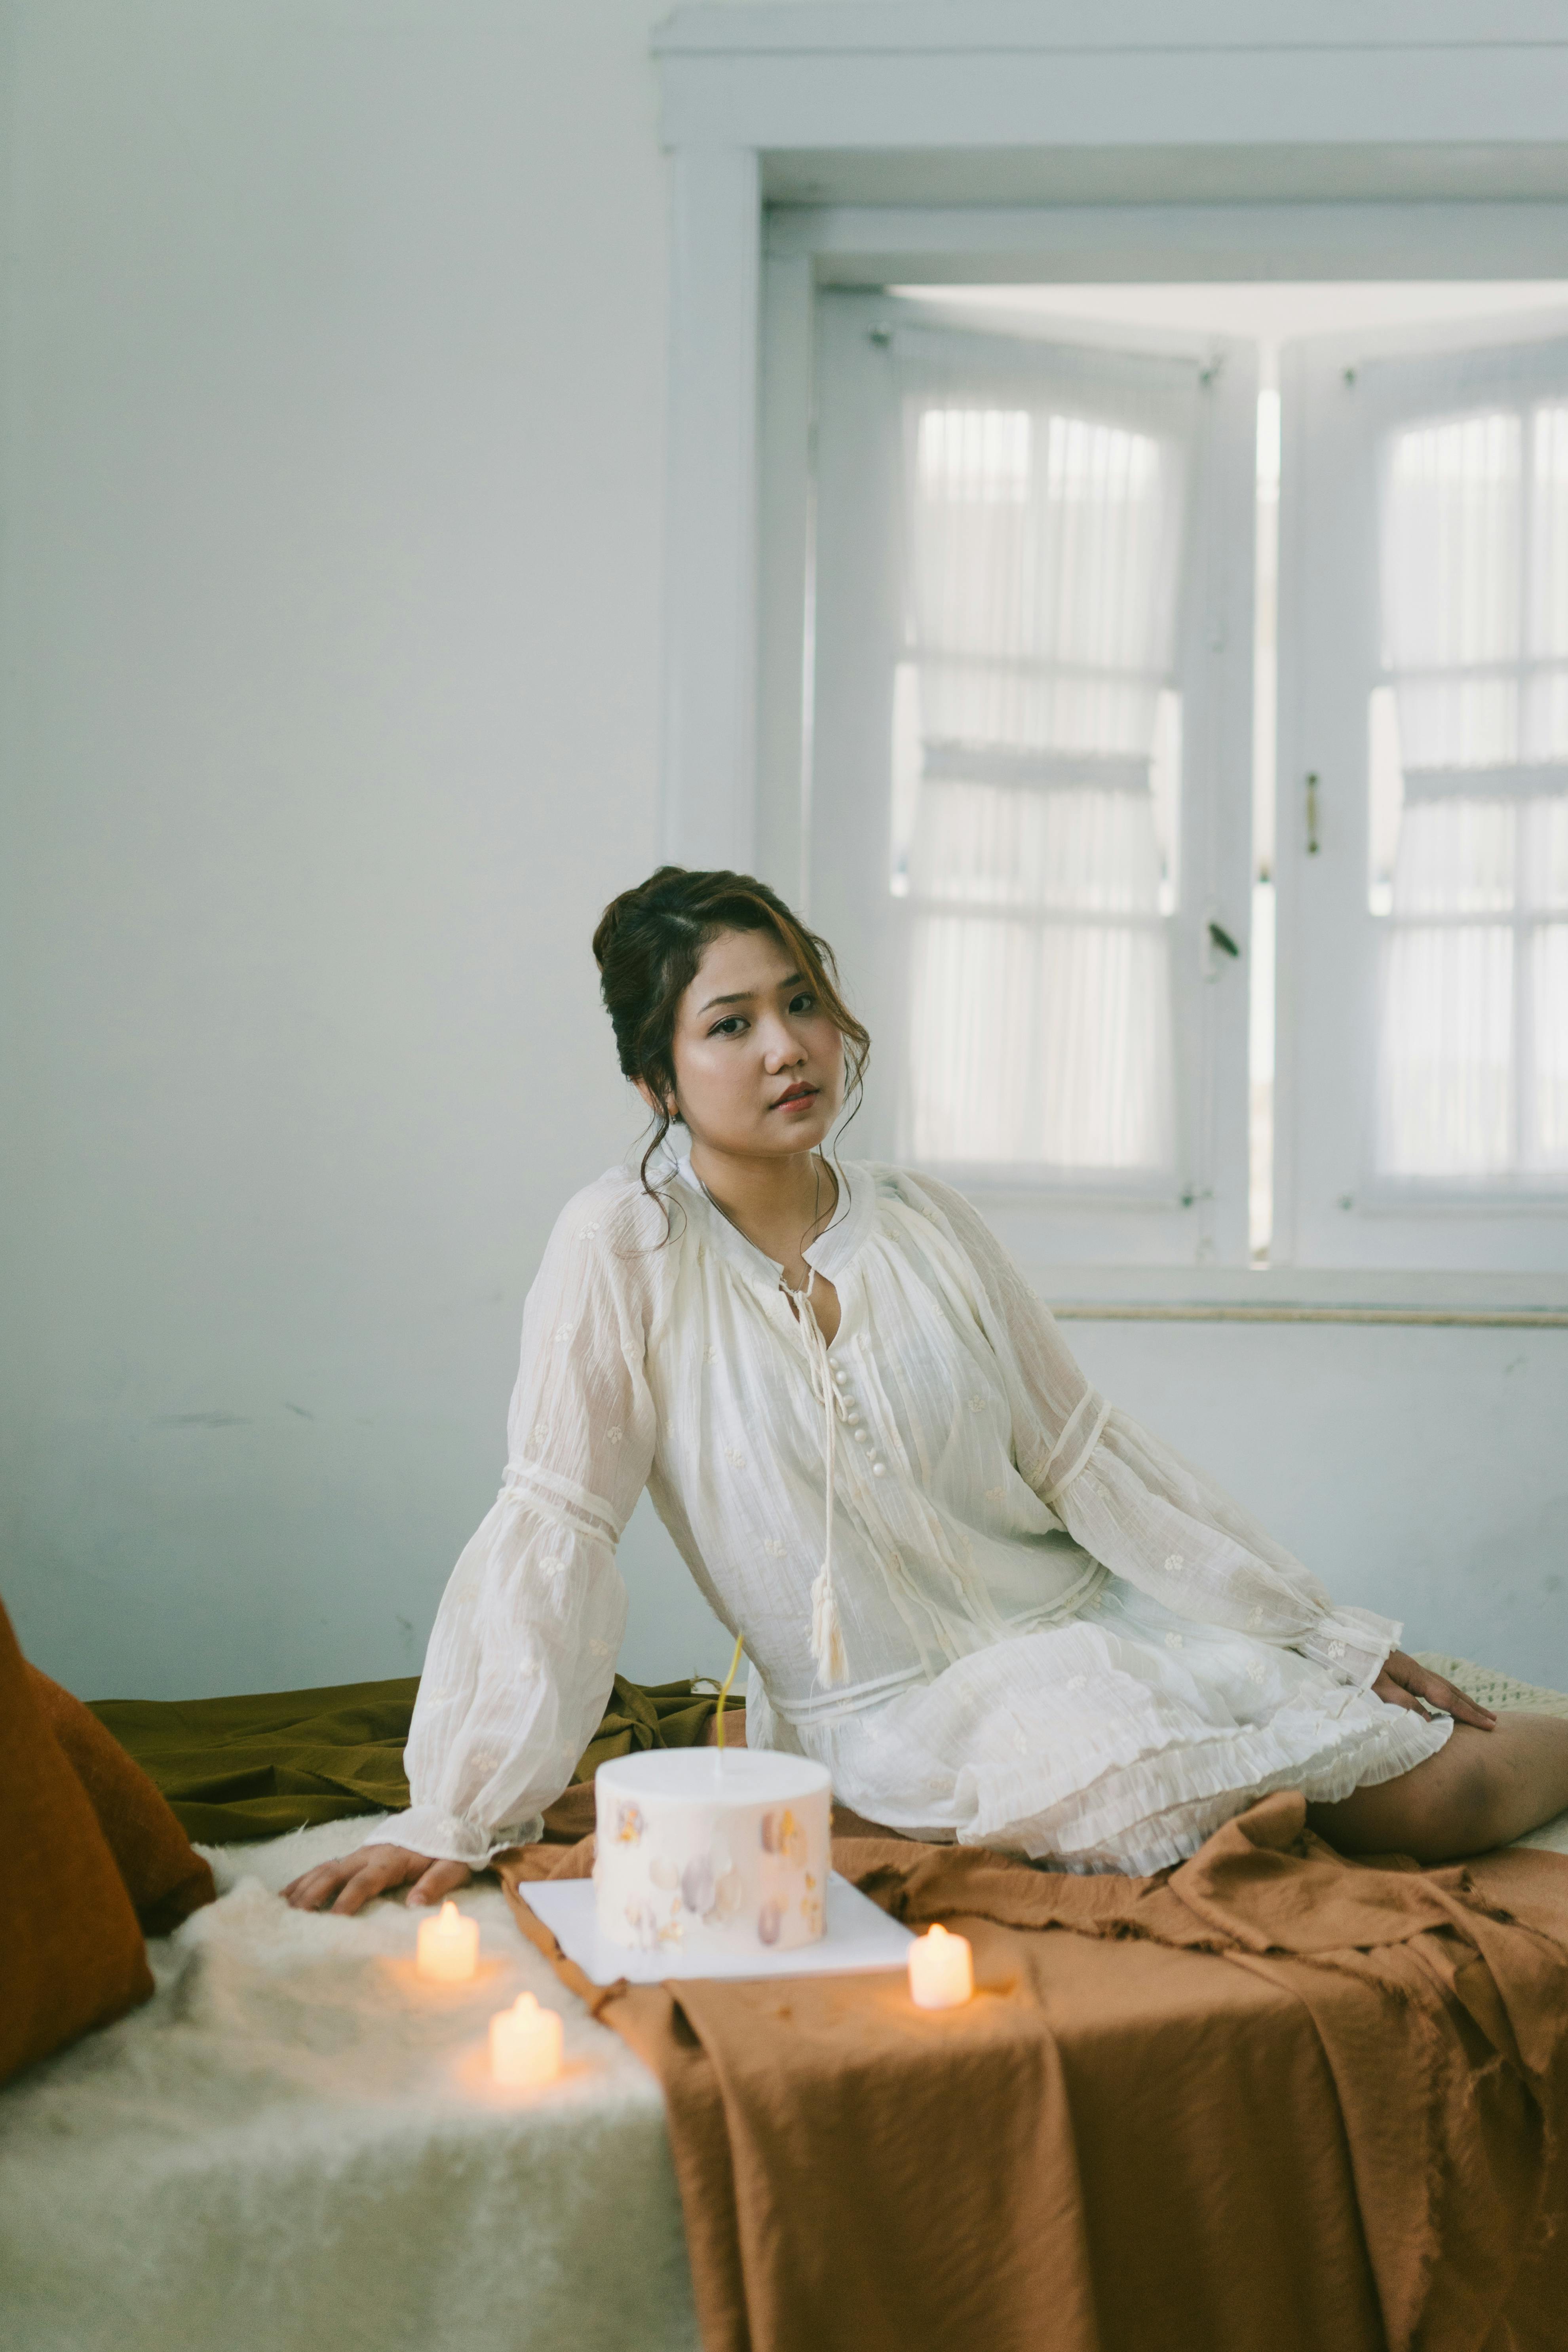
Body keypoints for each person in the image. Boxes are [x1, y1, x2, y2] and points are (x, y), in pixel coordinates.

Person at [286, 867, 1568, 1916]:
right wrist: (458, 1809)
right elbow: (557, 1520)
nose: (788, 1047)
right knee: (1148, 1819)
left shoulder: (923, 1221)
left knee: (1440, 1789)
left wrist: (1309, 1629)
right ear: (656, 1083)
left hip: (1083, 1628)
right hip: (886, 1716)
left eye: (801, 1001)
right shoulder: (622, 1246)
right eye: (730, 1024)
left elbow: (1086, 1460)